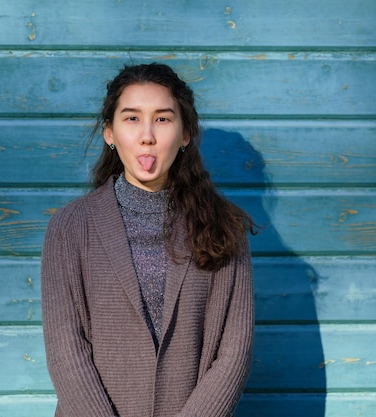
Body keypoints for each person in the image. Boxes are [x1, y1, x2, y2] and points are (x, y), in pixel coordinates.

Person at [41, 63, 256, 417]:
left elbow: (234, 353)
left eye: (162, 119)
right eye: (131, 118)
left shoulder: (224, 227)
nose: (147, 136)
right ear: (109, 133)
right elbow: (66, 352)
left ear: (185, 133)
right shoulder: (69, 228)